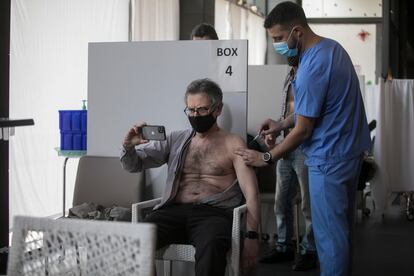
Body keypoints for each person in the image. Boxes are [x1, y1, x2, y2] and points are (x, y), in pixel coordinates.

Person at [234, 2, 370, 276]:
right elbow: (316, 108)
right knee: (340, 232)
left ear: (297, 31)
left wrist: (267, 157)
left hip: (328, 160)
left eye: (278, 39)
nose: (276, 46)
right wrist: (281, 122)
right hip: (348, 154)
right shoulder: (332, 50)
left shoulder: (310, 68)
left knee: (329, 238)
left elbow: (304, 130)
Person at [120, 78, 260, 276]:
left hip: (214, 214)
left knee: (212, 246)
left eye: (202, 110)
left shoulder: (233, 143)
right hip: (174, 210)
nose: (195, 115)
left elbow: (251, 193)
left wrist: (252, 237)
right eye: (190, 110)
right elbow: (134, 165)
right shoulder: (176, 139)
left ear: (217, 109)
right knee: (136, 240)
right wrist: (128, 146)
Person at [259, 55, 317, 271]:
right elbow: (287, 113)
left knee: (308, 205)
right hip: (286, 146)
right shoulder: (289, 76)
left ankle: (310, 250)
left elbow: (305, 116)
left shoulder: (311, 77)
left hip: (305, 146)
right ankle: (284, 246)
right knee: (280, 202)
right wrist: (275, 133)